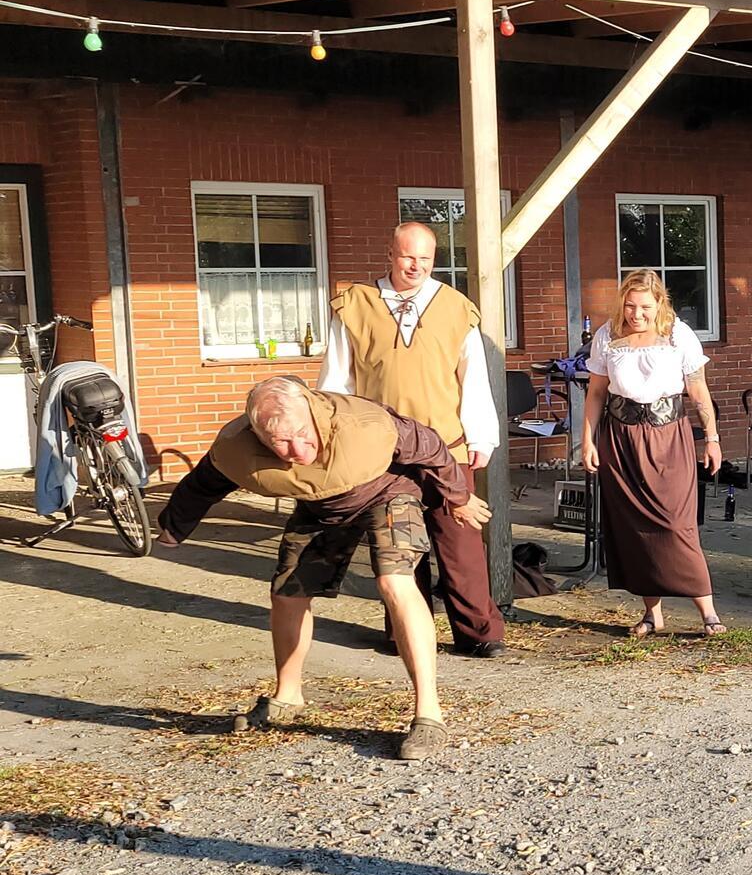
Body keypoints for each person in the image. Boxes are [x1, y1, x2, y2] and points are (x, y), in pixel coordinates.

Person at [156, 377, 489, 761]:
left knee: (394, 581)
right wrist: (172, 527)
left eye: (301, 433)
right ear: (258, 435)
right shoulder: (237, 447)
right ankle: (288, 697)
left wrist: (458, 497)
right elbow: (203, 484)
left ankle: (429, 715)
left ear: (313, 414)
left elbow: (429, 446)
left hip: (388, 492)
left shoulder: (365, 425)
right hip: (320, 505)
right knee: (287, 593)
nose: (296, 449)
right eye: (280, 442)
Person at [318, 221, 504, 658]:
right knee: (396, 546)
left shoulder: (456, 307)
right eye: (407, 256)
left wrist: (480, 435)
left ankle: (479, 631)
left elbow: (473, 378)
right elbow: (336, 383)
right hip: (383, 449)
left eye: (425, 258)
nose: (416, 265)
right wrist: (339, 440)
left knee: (460, 544)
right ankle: (404, 631)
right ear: (390, 253)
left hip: (447, 445)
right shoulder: (355, 306)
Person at [582, 268, 728, 637]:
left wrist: (712, 438)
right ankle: (652, 613)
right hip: (621, 438)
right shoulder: (607, 335)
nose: (636, 314)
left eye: (644, 306)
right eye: (630, 306)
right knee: (636, 527)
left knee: (677, 522)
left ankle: (707, 610)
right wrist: (587, 440)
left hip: (668, 437)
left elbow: (697, 390)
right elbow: (597, 393)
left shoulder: (678, 334)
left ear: (659, 302)